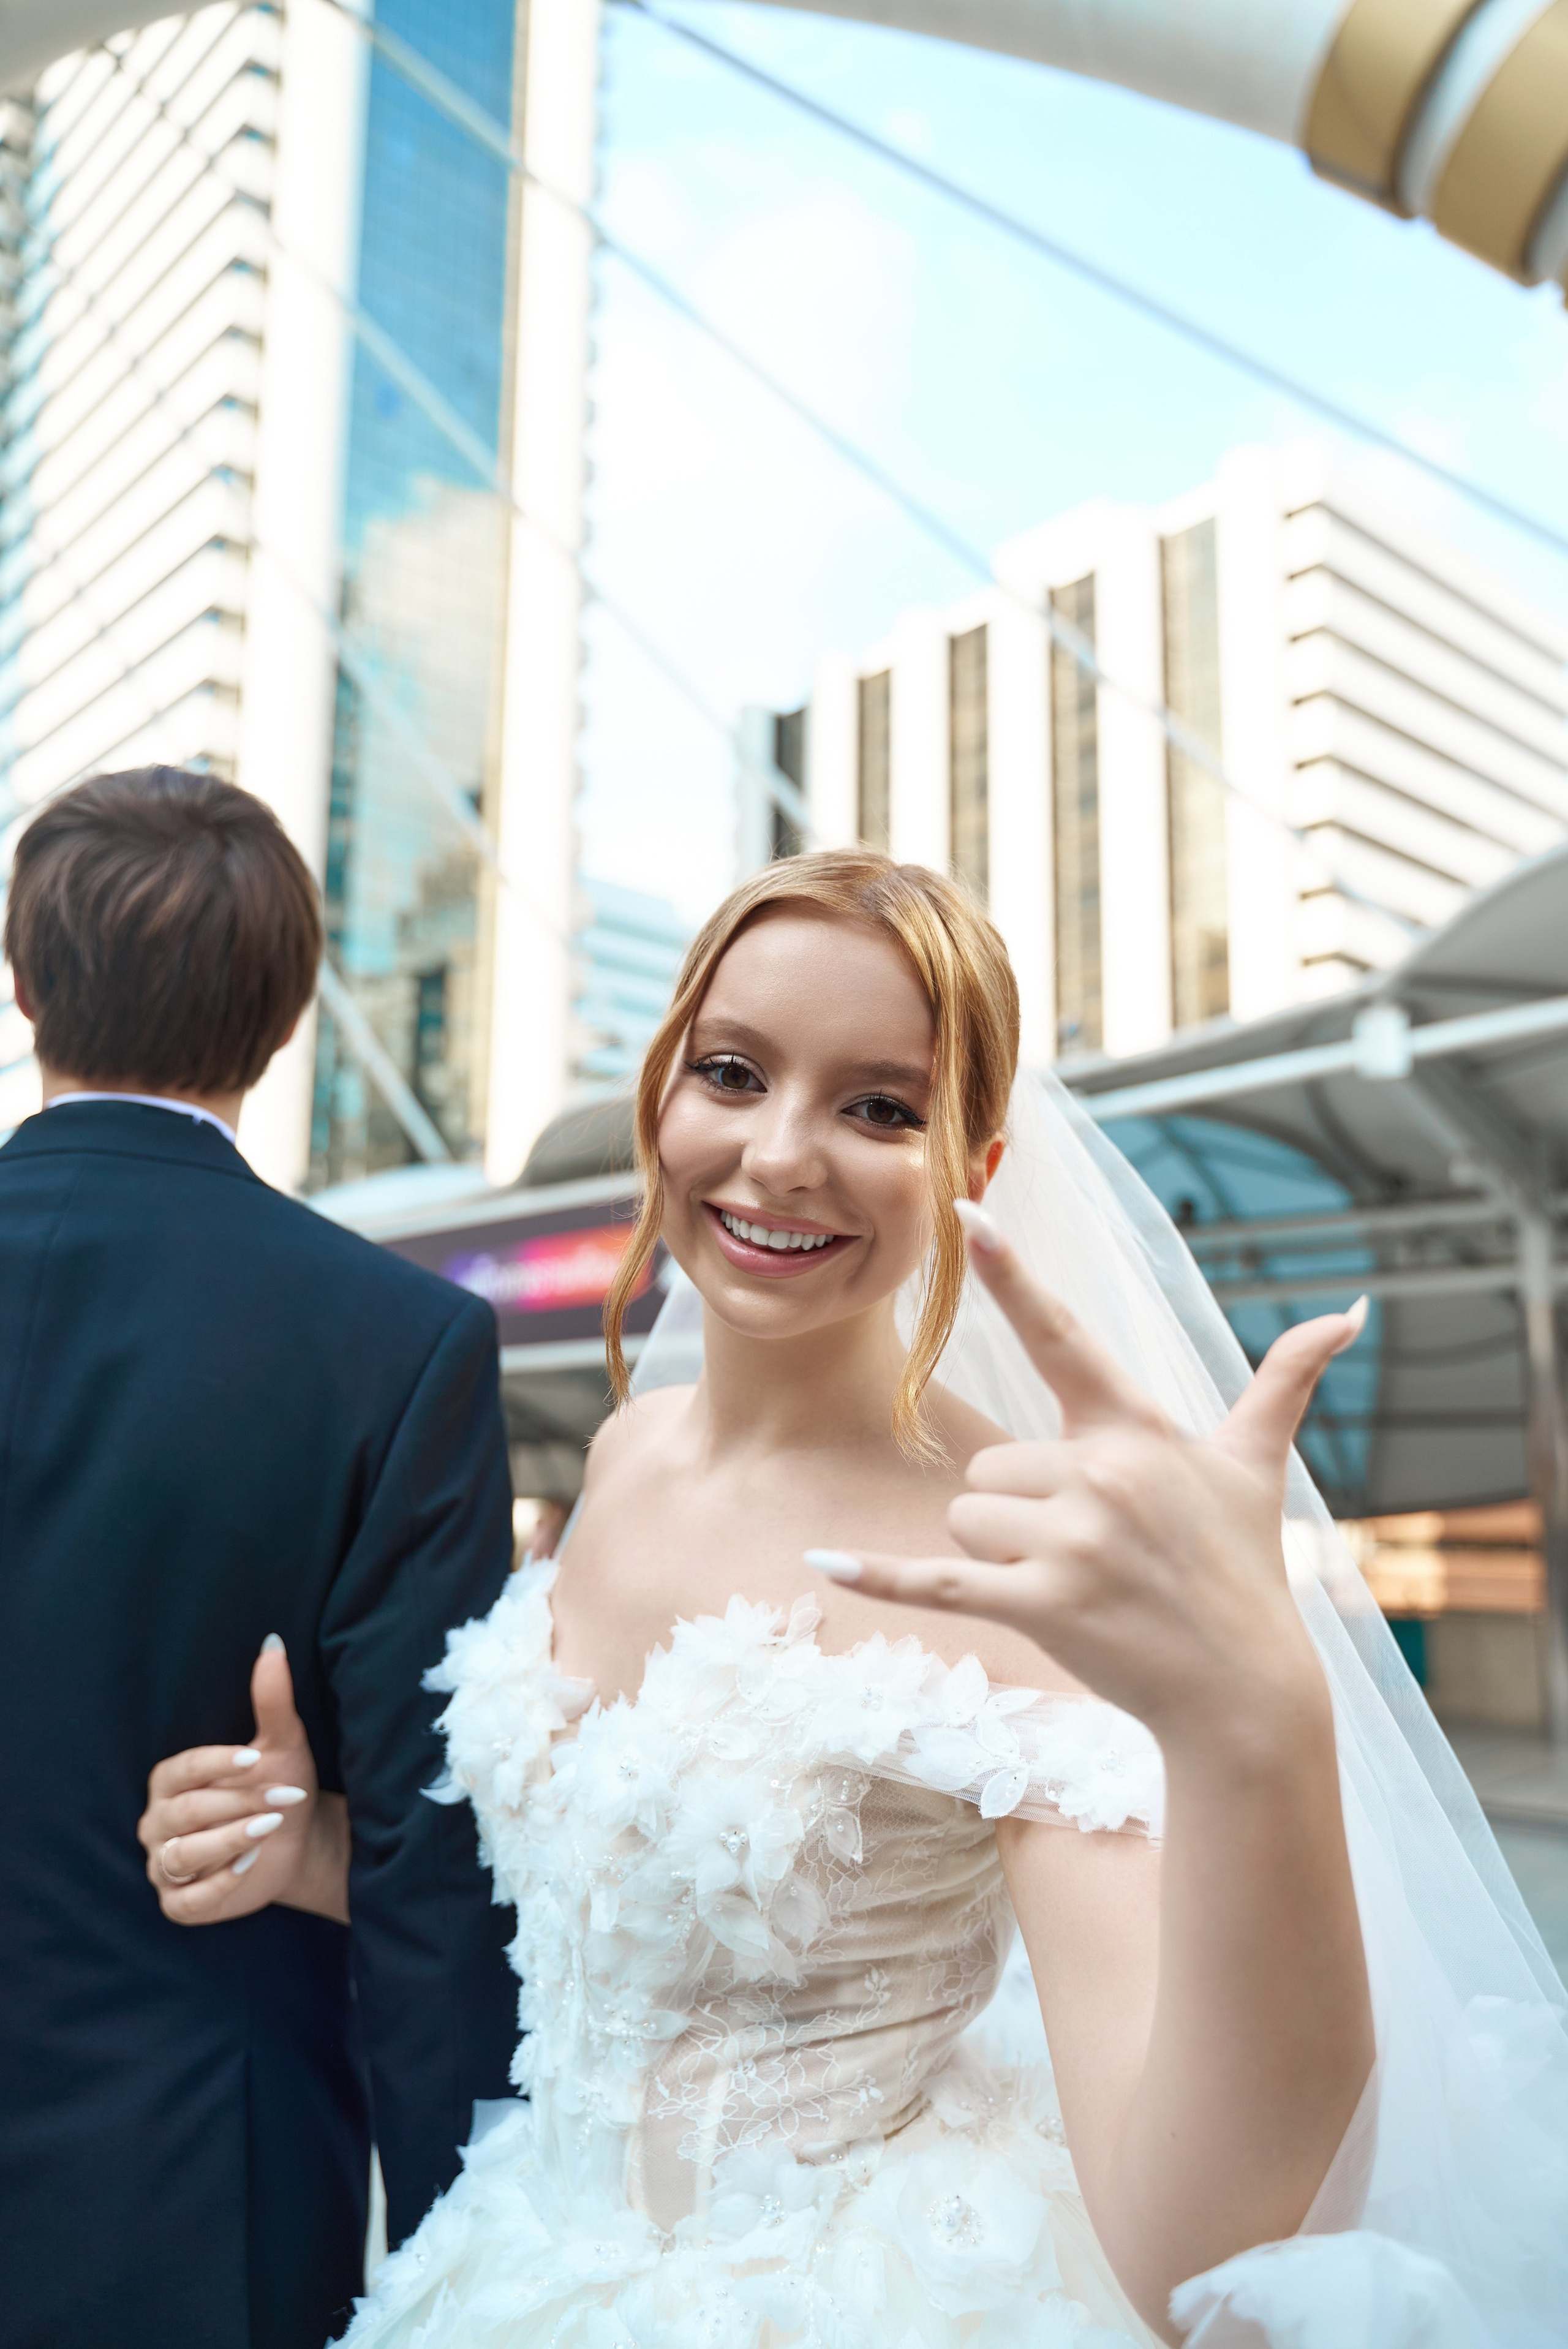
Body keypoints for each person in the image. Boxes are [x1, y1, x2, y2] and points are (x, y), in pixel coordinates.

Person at [145, 851, 1568, 2347]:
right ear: (660, 1093)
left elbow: (1194, 2249)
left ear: (972, 1167)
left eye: (878, 1107)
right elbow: (605, 1909)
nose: (777, 1156)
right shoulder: (624, 1453)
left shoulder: (1013, 1549)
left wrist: (1254, 1715)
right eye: (732, 1072)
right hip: (518, 2263)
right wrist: (315, 1851)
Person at [0, 767, 518, 2349]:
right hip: (199, 2191)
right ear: (289, 1019)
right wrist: (466, 2265)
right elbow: (429, 1859)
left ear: (22, 981)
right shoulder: (396, 1343)